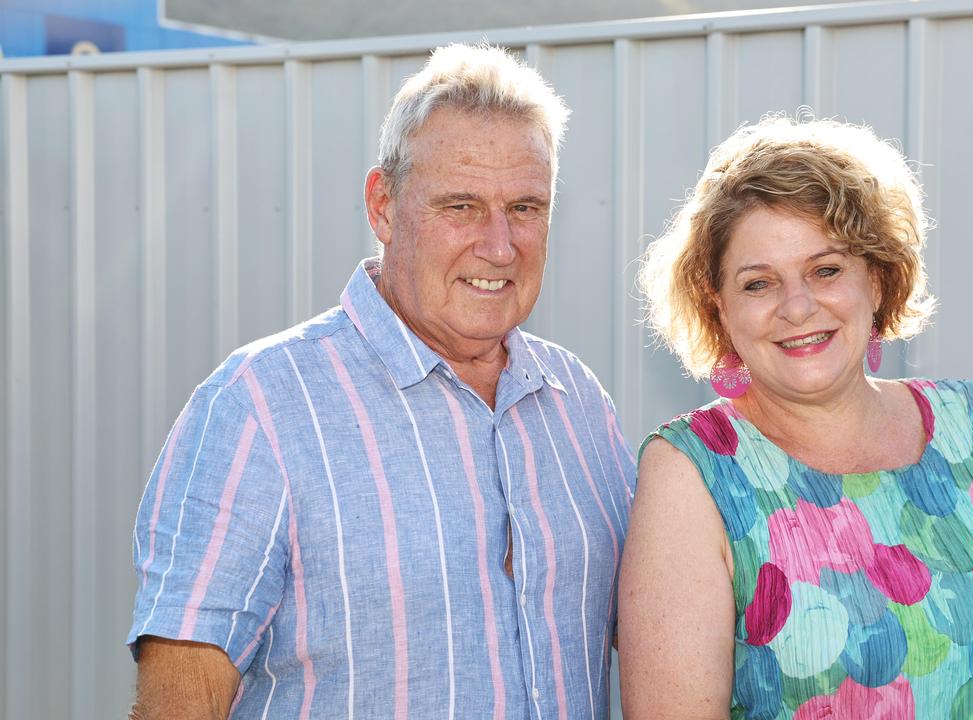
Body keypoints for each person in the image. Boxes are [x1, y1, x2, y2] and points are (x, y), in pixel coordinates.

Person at [128, 44, 635, 720]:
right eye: (461, 206)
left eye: (525, 207)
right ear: (384, 206)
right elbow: (179, 703)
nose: (500, 245)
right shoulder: (260, 405)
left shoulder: (580, 406)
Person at [618, 116, 973, 719]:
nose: (798, 307)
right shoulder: (692, 470)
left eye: (826, 270)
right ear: (718, 306)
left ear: (877, 279)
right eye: (759, 284)